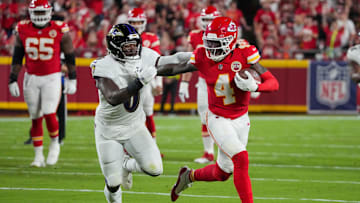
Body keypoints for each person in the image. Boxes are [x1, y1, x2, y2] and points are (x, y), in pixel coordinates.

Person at [156, 17, 279, 202]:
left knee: (223, 172)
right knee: (241, 159)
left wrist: (255, 87)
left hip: (241, 119)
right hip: (217, 118)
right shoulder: (203, 56)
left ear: (230, 41)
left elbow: (273, 83)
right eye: (209, 42)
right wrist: (150, 70)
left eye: (216, 43)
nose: (211, 47)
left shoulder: (245, 53)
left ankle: (188, 176)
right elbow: (175, 67)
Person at [90, 24, 164, 203]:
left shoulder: (144, 57)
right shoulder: (102, 65)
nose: (132, 49)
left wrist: (198, 59)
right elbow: (113, 97)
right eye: (127, 46)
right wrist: (139, 82)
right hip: (109, 130)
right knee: (113, 182)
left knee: (155, 169)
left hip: (134, 126)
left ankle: (125, 164)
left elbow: (174, 64)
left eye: (134, 44)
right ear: (115, 47)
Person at [8, 0, 77, 167]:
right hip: (31, 77)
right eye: (36, 12)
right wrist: (12, 79)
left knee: (48, 112)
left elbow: (70, 56)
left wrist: (73, 78)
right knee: (35, 117)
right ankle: (38, 156)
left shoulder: (60, 29)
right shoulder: (23, 29)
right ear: (31, 13)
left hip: (52, 76)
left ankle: (54, 143)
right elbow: (17, 56)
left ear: (49, 12)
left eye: (41, 12)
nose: (39, 16)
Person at [178, 5, 220, 164]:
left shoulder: (224, 34)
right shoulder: (195, 36)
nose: (208, 22)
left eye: (211, 19)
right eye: (205, 19)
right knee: (204, 117)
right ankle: (209, 152)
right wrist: (184, 83)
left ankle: (226, 149)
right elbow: (188, 61)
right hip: (203, 82)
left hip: (222, 81)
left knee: (224, 117)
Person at [128, 7, 163, 142]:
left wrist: (157, 83)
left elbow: (156, 62)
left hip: (146, 81)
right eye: (133, 22)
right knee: (131, 115)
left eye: (138, 22)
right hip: (129, 80)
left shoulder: (150, 38)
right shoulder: (123, 37)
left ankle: (152, 145)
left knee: (148, 113)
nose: (136, 25)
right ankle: (130, 147)